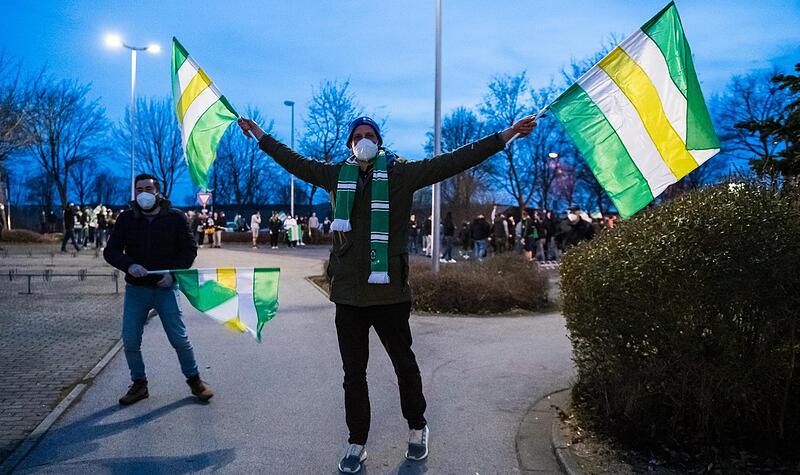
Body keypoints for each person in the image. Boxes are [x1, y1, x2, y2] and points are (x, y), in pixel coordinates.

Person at [238, 113, 536, 473]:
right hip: (349, 295)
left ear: (379, 141)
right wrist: (260, 135)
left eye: (370, 135)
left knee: (404, 365)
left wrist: (507, 135)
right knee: (353, 374)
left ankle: (417, 427)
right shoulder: (336, 175)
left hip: (389, 292)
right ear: (350, 144)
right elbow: (293, 161)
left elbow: (456, 160)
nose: (363, 140)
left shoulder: (402, 174)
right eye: (357, 136)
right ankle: (356, 441)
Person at [103, 173, 212, 405]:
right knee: (130, 339)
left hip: (166, 289)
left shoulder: (175, 218)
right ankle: (139, 384)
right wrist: (129, 265)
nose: (144, 194)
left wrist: (173, 274)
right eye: (139, 189)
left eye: (148, 189)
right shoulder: (127, 219)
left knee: (179, 339)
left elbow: (189, 250)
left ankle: (195, 381)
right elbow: (110, 251)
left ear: (158, 192)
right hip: (137, 290)